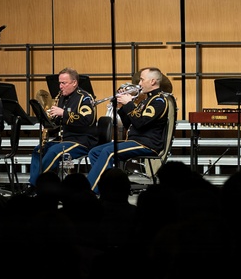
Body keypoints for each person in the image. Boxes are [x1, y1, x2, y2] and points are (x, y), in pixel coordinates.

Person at [84, 66, 175, 194]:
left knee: (109, 152)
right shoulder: (146, 100)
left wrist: (129, 104)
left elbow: (140, 123)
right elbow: (129, 124)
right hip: (135, 141)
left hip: (147, 144)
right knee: (95, 152)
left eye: (142, 80)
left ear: (153, 81)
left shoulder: (159, 101)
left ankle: (88, 191)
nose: (139, 84)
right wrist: (121, 107)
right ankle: (104, 188)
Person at [24, 67, 99, 194]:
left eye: (64, 83)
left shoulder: (85, 98)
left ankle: (37, 184)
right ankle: (34, 183)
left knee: (54, 152)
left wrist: (63, 113)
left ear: (74, 82)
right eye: (59, 83)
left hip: (82, 140)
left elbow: (87, 120)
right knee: (38, 149)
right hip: (65, 139)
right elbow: (60, 122)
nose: (60, 86)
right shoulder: (62, 97)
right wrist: (50, 120)